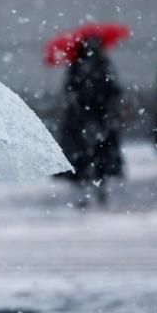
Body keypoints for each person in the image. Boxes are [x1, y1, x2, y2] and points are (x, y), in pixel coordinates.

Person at [58, 36, 124, 206]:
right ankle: (95, 189)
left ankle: (91, 190)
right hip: (93, 117)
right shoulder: (100, 64)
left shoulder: (80, 65)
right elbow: (112, 89)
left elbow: (71, 90)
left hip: (90, 117)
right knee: (96, 155)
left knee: (88, 156)